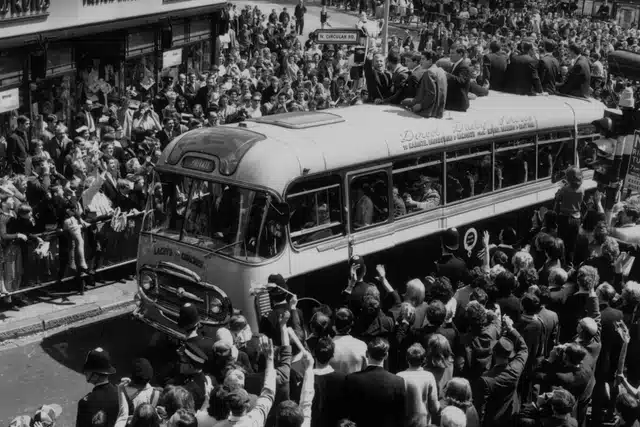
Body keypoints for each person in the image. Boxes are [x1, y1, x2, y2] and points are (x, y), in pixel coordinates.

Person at [344, 337, 407, 427]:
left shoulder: (351, 379)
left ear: (366, 354)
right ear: (386, 355)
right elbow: (400, 415)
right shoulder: (398, 381)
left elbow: (347, 412)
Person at [76, 347, 128, 427]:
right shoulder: (121, 394)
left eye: (88, 370)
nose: (85, 372)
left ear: (96, 375)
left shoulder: (85, 403)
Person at [405, 50, 447, 118]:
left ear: (430, 61)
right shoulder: (441, 70)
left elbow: (431, 94)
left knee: (404, 103)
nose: (420, 62)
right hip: (439, 110)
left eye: (423, 59)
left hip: (429, 111)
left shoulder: (429, 72)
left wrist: (420, 106)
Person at [331, 307, 368, 374]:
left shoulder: (327, 346)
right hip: (356, 380)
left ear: (334, 326)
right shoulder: (361, 345)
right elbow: (366, 372)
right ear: (351, 325)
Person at [445, 45, 471, 112]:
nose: (450, 55)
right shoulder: (455, 65)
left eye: (453, 53)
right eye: (450, 53)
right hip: (453, 102)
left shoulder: (464, 66)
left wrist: (447, 75)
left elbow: (461, 81)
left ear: (460, 54)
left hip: (458, 104)